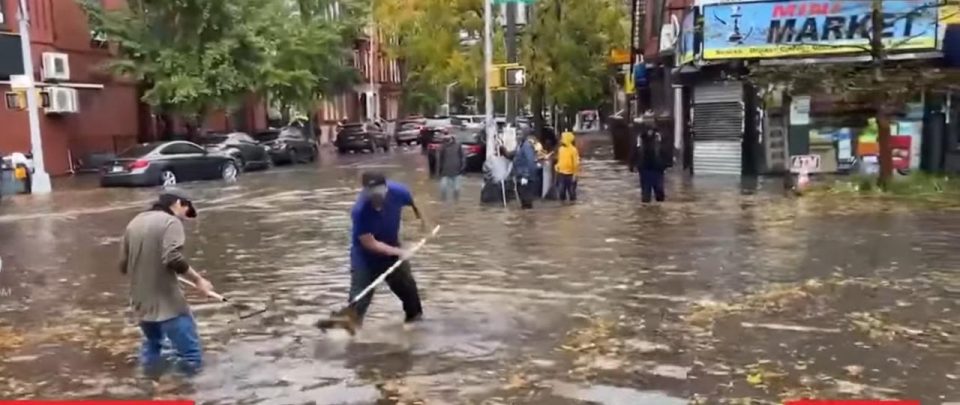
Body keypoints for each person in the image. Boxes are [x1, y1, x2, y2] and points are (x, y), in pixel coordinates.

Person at [119, 190, 214, 375]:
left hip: (141, 305)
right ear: (178, 203)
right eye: (187, 211)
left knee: (153, 346)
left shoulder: (134, 223)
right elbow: (173, 257)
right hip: (168, 305)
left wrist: (148, 267)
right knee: (191, 357)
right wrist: (198, 280)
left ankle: (149, 385)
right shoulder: (171, 222)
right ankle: (182, 391)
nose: (185, 219)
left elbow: (123, 266)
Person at [349, 172, 427, 325]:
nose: (376, 201)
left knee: (410, 293)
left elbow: (416, 203)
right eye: (372, 196)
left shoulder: (399, 192)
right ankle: (350, 334)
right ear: (365, 192)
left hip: (392, 247)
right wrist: (400, 252)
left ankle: (414, 327)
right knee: (359, 301)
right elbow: (369, 243)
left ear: (386, 189)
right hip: (365, 259)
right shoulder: (360, 211)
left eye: (379, 194)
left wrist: (423, 222)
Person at [630, 126, 667, 203]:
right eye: (648, 130)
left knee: (659, 192)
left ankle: (659, 208)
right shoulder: (640, 139)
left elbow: (665, 151)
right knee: (646, 194)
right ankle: (646, 210)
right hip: (644, 169)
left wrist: (666, 164)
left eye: (651, 130)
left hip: (657, 169)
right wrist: (632, 165)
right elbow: (634, 151)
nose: (650, 132)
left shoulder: (659, 138)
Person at [511, 131, 539, 209]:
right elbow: (515, 156)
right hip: (520, 176)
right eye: (516, 134)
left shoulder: (527, 146)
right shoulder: (520, 145)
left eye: (520, 134)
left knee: (526, 201)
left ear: (525, 135)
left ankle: (528, 219)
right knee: (523, 200)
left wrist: (525, 176)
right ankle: (524, 218)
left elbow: (530, 162)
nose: (517, 136)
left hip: (526, 178)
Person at [436, 133, 465, 202]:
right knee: (443, 189)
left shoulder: (458, 145)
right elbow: (440, 160)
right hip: (445, 172)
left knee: (456, 189)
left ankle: (456, 202)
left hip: (457, 171)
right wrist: (438, 171)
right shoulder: (442, 147)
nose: (447, 139)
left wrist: (462, 167)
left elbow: (463, 157)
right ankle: (444, 202)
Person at [555, 131, 581, 203]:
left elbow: (576, 163)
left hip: (571, 174)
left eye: (563, 138)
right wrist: (557, 166)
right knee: (561, 192)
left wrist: (575, 175)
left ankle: (572, 206)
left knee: (572, 193)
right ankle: (562, 206)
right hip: (561, 174)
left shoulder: (573, 150)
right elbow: (560, 160)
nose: (561, 140)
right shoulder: (561, 149)